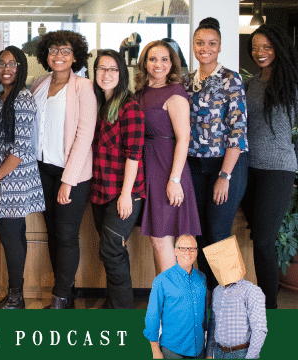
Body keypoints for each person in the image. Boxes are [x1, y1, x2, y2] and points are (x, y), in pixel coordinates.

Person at [243, 24, 298, 309]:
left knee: (263, 240)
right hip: (247, 169)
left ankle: (268, 308)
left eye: (266, 47)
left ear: (278, 48)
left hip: (277, 171)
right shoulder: (252, 83)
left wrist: (291, 167)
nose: (259, 53)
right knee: (253, 237)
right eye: (255, 47)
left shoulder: (296, 82)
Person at [30, 30, 97, 309]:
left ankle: (60, 300)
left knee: (67, 234)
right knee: (52, 232)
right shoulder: (38, 83)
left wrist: (68, 181)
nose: (59, 55)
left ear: (75, 56)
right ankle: (65, 296)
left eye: (65, 50)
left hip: (73, 174)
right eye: (54, 50)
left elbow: (85, 135)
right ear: (46, 55)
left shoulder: (84, 86)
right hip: (43, 169)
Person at [184, 17, 249, 292]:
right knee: (199, 233)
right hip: (195, 166)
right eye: (200, 43)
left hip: (227, 165)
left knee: (219, 232)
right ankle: (211, 297)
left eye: (211, 43)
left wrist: (225, 176)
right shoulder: (187, 82)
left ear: (220, 46)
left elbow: (238, 130)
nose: (205, 48)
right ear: (193, 45)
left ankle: (232, 299)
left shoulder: (231, 80)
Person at [0, 46, 45, 309]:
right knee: (13, 234)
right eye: (1, 63)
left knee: (10, 235)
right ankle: (15, 296)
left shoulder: (22, 98)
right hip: (0, 173)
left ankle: (16, 297)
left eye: (12, 64)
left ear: (21, 68)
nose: (6, 69)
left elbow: (20, 149)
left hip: (14, 177)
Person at [134, 40, 201, 275]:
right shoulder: (140, 93)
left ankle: (174, 308)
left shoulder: (175, 92)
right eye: (152, 59)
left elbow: (184, 138)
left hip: (166, 168)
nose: (158, 64)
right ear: (144, 63)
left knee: (162, 239)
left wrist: (174, 180)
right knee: (157, 240)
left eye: (164, 59)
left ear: (172, 63)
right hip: (146, 166)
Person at [89, 49, 145, 309]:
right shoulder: (98, 105)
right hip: (100, 189)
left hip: (125, 192)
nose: (106, 74)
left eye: (112, 69)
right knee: (111, 250)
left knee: (111, 250)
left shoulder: (129, 107)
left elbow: (133, 155)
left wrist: (126, 195)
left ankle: (122, 312)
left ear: (122, 73)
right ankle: (115, 303)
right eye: (101, 68)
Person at [144, 235, 207, 359]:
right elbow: (152, 317)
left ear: (197, 252)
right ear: (175, 251)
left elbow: (204, 315)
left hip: (199, 350)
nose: (187, 253)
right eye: (183, 248)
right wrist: (155, 350)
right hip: (173, 351)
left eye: (192, 249)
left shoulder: (202, 278)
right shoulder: (162, 280)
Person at [204, 238, 268, 359]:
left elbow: (259, 329)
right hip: (218, 353)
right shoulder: (217, 291)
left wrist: (250, 357)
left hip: (241, 354)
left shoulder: (251, 291)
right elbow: (213, 323)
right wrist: (209, 353)